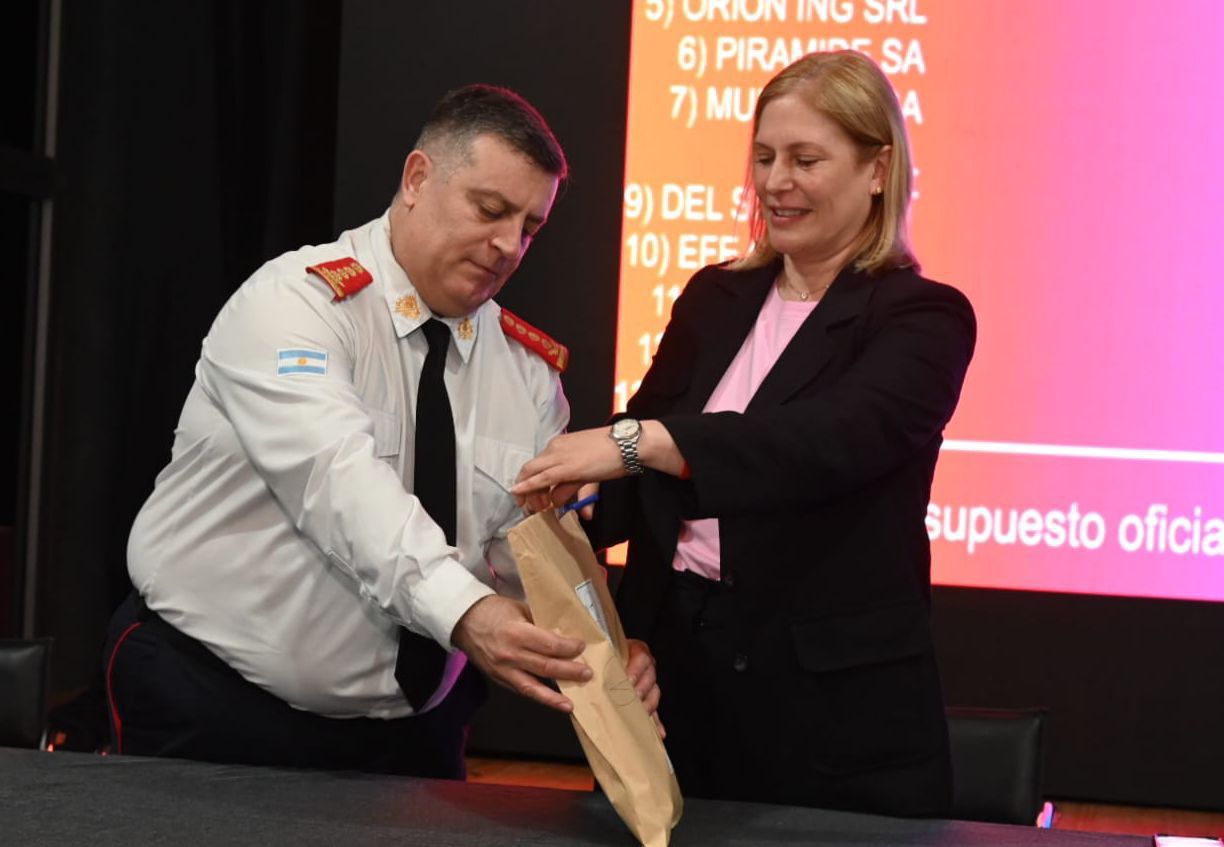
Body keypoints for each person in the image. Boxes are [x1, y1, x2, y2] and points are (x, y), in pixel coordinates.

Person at [103, 84, 659, 779]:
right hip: (218, 703)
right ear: (418, 179)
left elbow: (530, 554)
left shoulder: (527, 373)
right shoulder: (296, 305)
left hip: (414, 734)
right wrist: (467, 614)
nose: (508, 245)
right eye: (490, 210)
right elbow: (340, 488)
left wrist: (603, 645)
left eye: (529, 227)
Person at [514, 51, 975, 816]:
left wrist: (636, 442)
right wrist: (581, 534)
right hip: (675, 683)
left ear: (877, 169)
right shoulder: (715, 297)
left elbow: (821, 444)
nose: (775, 181)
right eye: (764, 157)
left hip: (829, 716)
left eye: (805, 159)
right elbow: (639, 486)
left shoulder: (923, 319)